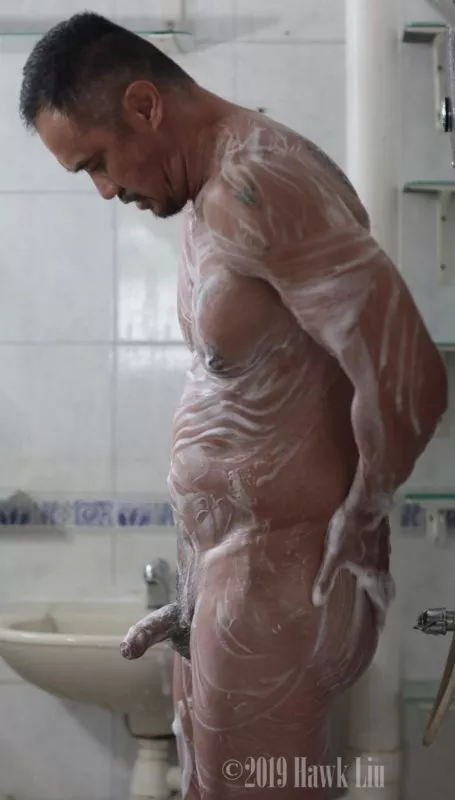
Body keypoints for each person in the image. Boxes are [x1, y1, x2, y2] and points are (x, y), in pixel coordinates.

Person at [20, 12, 448, 799]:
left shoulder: (260, 182)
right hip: (237, 583)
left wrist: (359, 522)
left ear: (145, 106)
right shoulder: (215, 188)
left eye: (99, 162)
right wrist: (192, 592)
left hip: (278, 586)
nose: (106, 190)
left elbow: (410, 374)